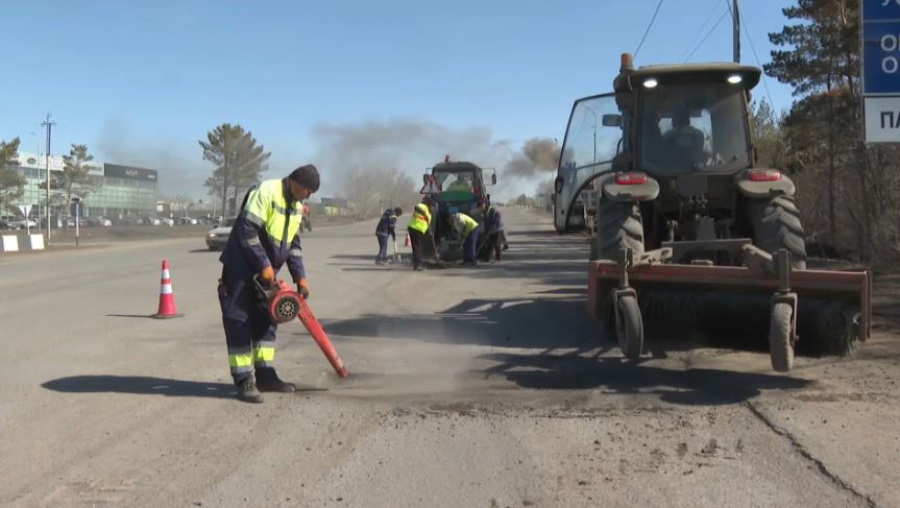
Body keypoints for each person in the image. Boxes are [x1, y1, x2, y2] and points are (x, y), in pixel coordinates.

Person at [217, 164, 319, 403]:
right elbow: (246, 231)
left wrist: (300, 276)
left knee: (267, 321)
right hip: (241, 269)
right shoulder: (266, 191)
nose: (309, 196)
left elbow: (292, 244)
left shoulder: (296, 206)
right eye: (308, 190)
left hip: (267, 275)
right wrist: (263, 264)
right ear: (297, 183)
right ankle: (244, 379)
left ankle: (265, 375)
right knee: (239, 321)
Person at [407, 197, 433, 271]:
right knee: (418, 248)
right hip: (418, 229)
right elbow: (428, 219)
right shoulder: (425, 208)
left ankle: (416, 265)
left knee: (415, 248)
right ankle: (418, 265)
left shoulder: (421, 207)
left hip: (412, 228)